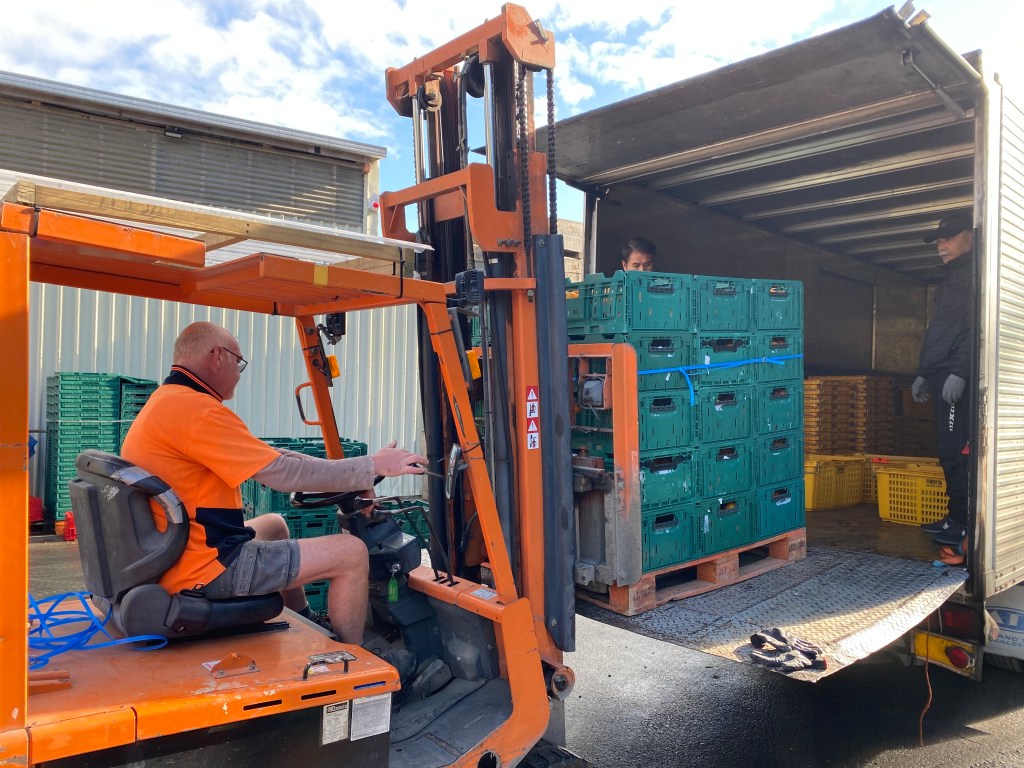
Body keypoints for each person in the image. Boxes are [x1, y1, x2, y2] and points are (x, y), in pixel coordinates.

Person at [120, 321, 427, 645]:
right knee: (351, 553)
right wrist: (374, 466)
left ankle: (305, 618)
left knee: (275, 525)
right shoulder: (198, 412)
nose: (239, 373)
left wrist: (359, 471)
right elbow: (284, 474)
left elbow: (273, 456)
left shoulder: (170, 402)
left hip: (177, 554)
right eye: (238, 362)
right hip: (207, 568)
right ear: (218, 356)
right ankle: (354, 661)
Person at [911, 212, 974, 549]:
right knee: (946, 451)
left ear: (970, 236)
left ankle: (963, 523)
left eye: (948, 239)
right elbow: (942, 330)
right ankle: (955, 517)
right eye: (938, 241)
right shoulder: (953, 278)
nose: (941, 246)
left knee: (956, 453)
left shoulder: (976, 276)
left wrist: (960, 372)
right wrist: (924, 372)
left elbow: (976, 328)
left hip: (954, 378)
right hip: (940, 374)